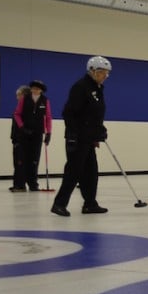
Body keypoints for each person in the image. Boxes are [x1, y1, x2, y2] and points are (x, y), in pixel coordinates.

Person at [50, 56, 111, 217]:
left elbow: (94, 115)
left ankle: (90, 203)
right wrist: (73, 135)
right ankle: (59, 203)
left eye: (107, 73)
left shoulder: (97, 89)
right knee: (74, 171)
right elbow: (69, 113)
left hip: (89, 139)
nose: (105, 76)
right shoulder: (81, 87)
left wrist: (98, 132)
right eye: (102, 72)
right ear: (92, 71)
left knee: (91, 172)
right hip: (77, 138)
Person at [11, 80, 53, 191]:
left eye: (38, 89)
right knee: (21, 160)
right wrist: (21, 126)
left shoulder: (45, 101)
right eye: (33, 88)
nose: (35, 90)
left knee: (34, 160)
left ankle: (33, 184)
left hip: (37, 134)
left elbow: (48, 118)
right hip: (24, 133)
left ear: (41, 91)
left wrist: (48, 133)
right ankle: (20, 185)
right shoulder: (25, 99)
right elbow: (17, 114)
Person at [8, 85, 31, 191]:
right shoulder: (19, 108)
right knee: (17, 163)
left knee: (20, 163)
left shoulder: (26, 109)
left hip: (21, 140)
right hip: (16, 139)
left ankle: (21, 185)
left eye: (19, 95)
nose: (17, 97)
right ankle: (17, 183)